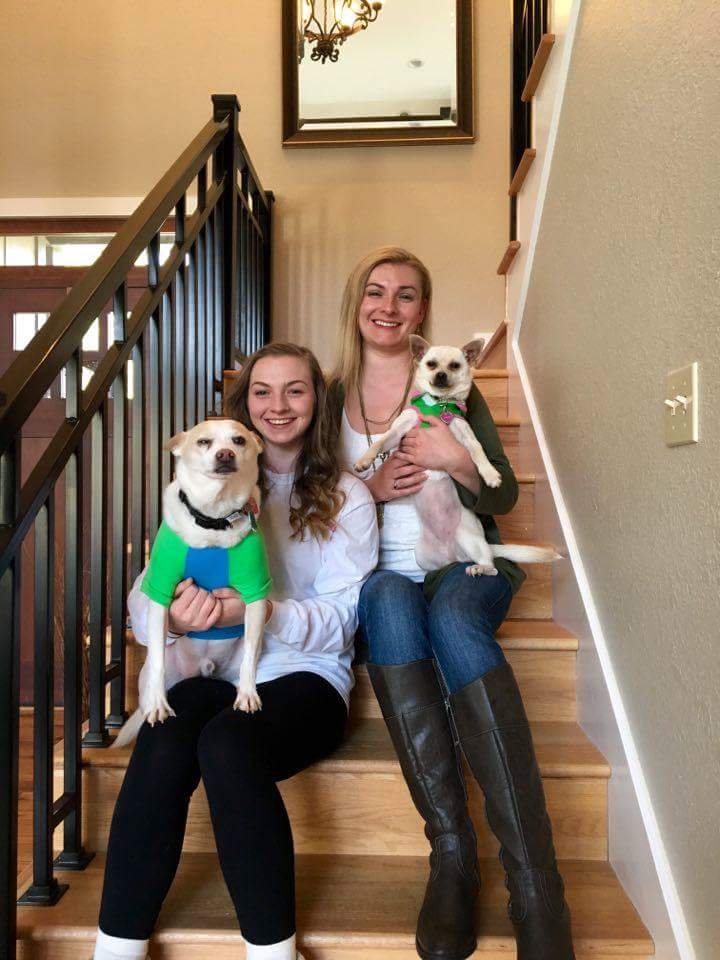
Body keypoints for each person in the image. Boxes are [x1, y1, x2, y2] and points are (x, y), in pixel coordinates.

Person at [92, 342, 378, 960]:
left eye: (295, 390)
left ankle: (272, 950)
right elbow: (147, 597)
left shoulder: (348, 496)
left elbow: (345, 619)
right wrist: (172, 625)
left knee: (227, 739)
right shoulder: (201, 486)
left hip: (305, 676)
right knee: (165, 734)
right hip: (216, 666)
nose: (278, 405)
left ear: (316, 400)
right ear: (243, 405)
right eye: (262, 392)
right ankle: (116, 946)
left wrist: (263, 612)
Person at [328, 247, 576, 960]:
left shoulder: (448, 380)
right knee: (391, 601)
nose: (390, 304)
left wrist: (457, 461)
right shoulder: (329, 391)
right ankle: (452, 856)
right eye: (376, 291)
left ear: (422, 312)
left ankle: (535, 883)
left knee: (452, 617)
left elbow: (500, 494)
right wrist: (364, 491)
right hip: (381, 572)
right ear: (358, 303)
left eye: (407, 294)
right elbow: (304, 498)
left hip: (468, 560)